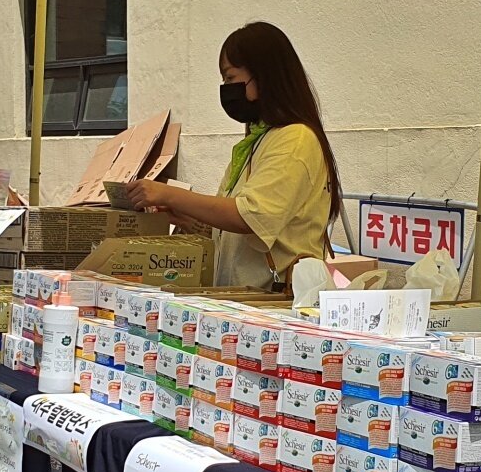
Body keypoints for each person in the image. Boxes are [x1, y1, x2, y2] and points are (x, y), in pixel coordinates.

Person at [127, 21, 342, 290]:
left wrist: (168, 194)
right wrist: (188, 218)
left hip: (273, 302)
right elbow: (234, 226)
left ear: (264, 76)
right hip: (245, 300)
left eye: (230, 78)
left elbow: (249, 217)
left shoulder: (295, 139)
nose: (226, 88)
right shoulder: (257, 141)